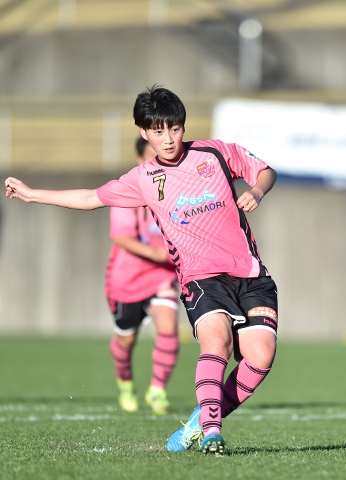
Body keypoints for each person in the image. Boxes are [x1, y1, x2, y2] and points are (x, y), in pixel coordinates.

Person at [5, 85, 278, 455]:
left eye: (175, 128)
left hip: (249, 273)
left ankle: (200, 420)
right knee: (218, 342)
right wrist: (34, 194)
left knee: (260, 356)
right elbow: (90, 198)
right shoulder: (144, 179)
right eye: (159, 130)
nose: (168, 138)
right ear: (144, 132)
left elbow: (264, 170)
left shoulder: (214, 152)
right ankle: (212, 432)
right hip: (202, 278)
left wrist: (258, 192)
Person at [106, 137, 179, 415]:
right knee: (126, 339)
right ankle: (125, 383)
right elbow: (120, 237)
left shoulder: (175, 192)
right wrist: (158, 254)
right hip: (127, 279)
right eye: (151, 155)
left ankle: (158, 390)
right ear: (139, 161)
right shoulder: (127, 193)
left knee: (169, 328)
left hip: (162, 276)